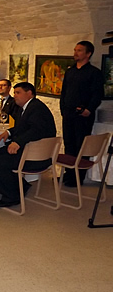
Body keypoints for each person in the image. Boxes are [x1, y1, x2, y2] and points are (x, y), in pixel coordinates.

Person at [0, 82, 57, 208]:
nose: (15, 95)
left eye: (18, 92)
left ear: (29, 93)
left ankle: (11, 197)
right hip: (32, 150)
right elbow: (23, 128)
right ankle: (21, 185)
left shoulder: (36, 108)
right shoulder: (28, 107)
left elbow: (36, 130)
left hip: (37, 157)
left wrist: (18, 142)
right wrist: (9, 132)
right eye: (14, 93)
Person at [60, 41, 104, 187]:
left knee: (81, 145)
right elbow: (64, 92)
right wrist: (63, 109)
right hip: (68, 113)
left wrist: (89, 109)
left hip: (83, 115)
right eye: (75, 50)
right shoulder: (70, 71)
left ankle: (78, 177)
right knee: (69, 144)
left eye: (79, 50)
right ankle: (69, 174)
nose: (75, 53)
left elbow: (97, 94)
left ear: (88, 54)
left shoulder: (94, 73)